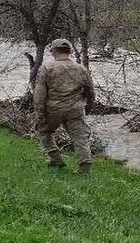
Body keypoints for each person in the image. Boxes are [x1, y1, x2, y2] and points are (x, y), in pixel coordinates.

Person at [33, 39, 96, 174]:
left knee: (44, 132)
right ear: (70, 52)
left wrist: (39, 114)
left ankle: (55, 159)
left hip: (53, 109)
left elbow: (39, 95)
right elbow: (90, 92)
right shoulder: (81, 69)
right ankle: (85, 169)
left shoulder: (47, 68)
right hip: (75, 109)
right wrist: (88, 107)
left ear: (53, 51)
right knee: (80, 139)